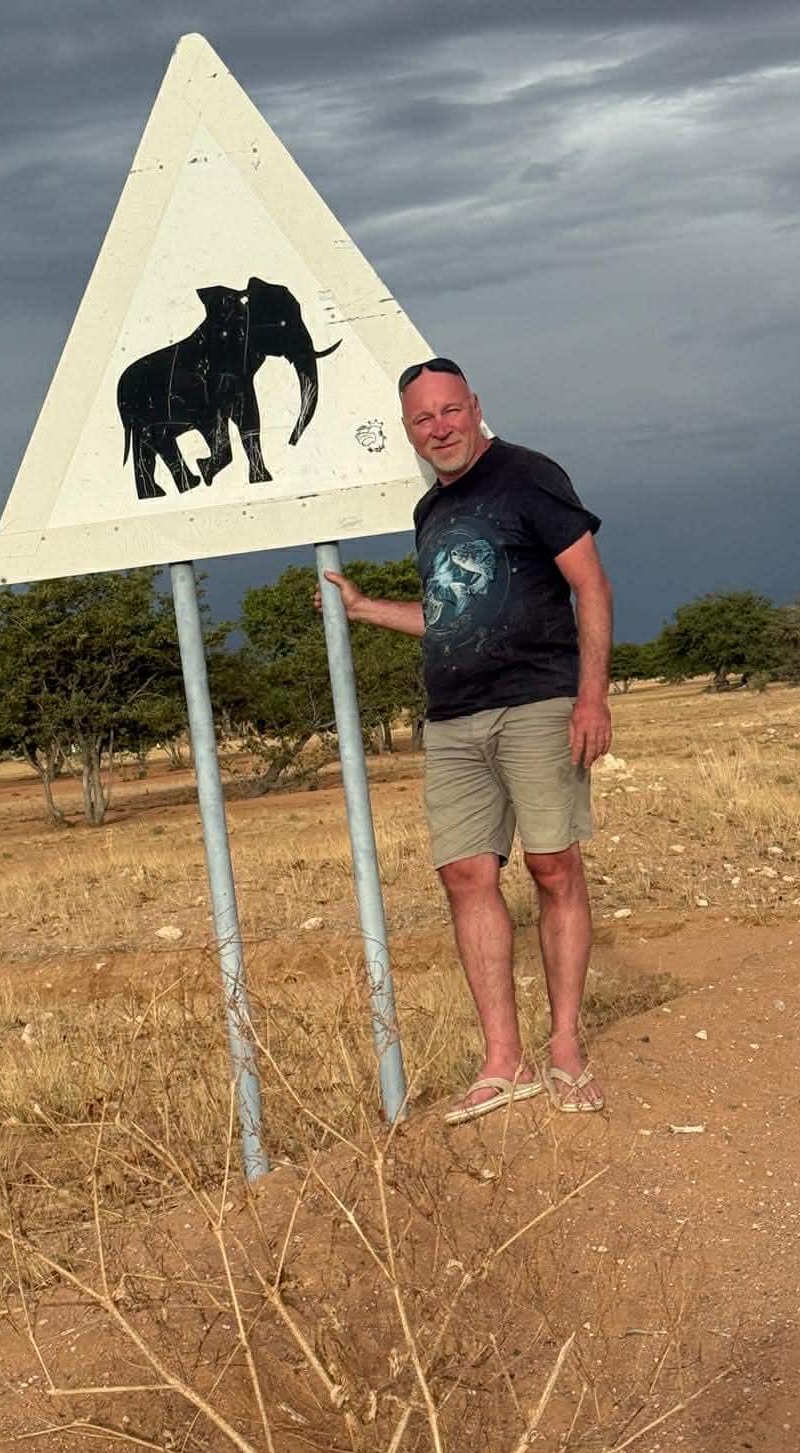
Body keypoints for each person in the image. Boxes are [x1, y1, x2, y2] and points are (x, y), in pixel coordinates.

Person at [318, 356, 612, 1121]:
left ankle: (566, 1047)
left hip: (538, 702)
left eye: (450, 410)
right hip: (453, 719)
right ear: (408, 430)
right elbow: (450, 614)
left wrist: (592, 698)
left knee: (553, 866)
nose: (440, 427)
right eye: (423, 418)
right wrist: (365, 609)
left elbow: (589, 584)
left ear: (475, 407)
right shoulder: (430, 512)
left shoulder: (529, 476)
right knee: (464, 876)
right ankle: (502, 1061)